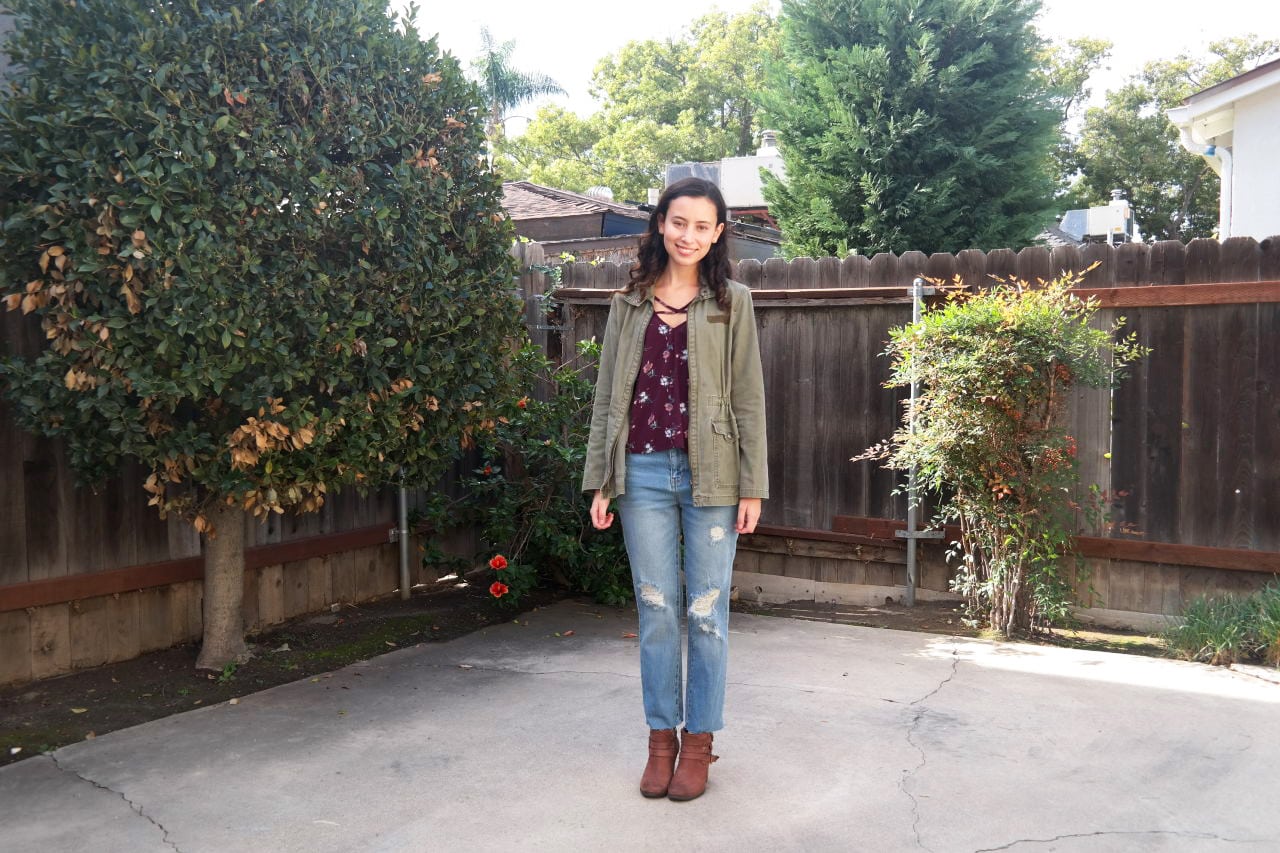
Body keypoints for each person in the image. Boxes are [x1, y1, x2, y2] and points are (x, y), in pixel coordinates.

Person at [582, 177, 768, 801]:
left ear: (717, 234)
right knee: (656, 609)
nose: (688, 235)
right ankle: (660, 742)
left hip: (712, 474)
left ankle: (700, 745)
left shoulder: (731, 301)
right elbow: (609, 398)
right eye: (678, 221)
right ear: (661, 224)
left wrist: (753, 485)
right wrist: (601, 480)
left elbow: (748, 397)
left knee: (706, 612)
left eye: (702, 225)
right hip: (641, 473)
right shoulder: (628, 303)